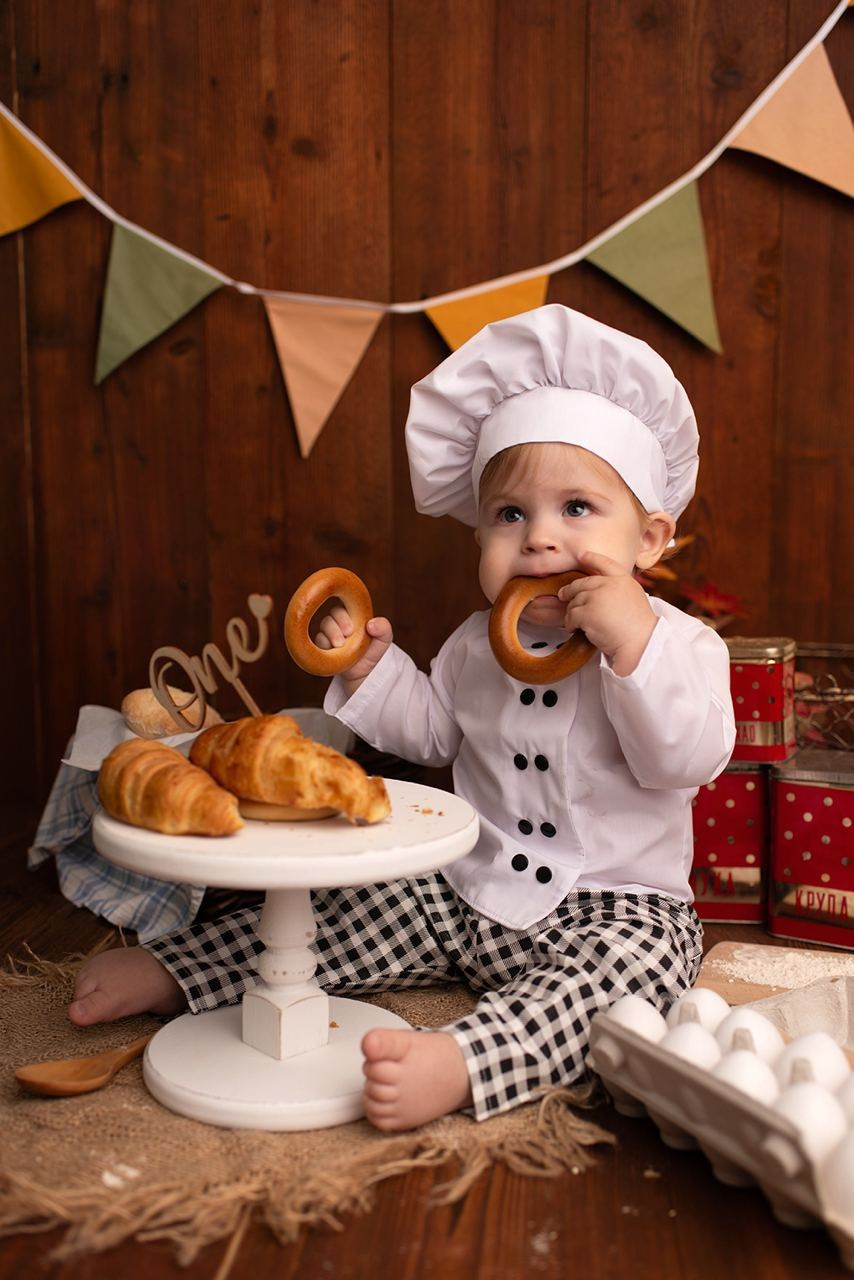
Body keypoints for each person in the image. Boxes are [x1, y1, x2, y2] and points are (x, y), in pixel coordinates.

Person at [69, 304, 736, 1132]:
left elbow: (687, 757)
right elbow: (431, 734)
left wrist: (631, 642)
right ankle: (184, 969)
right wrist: (368, 668)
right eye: (509, 515)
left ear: (650, 538)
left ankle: (464, 1060)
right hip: (467, 887)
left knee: (624, 992)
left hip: (614, 906)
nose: (538, 539)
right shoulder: (475, 644)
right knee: (342, 913)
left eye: (577, 509)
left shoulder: (681, 645)